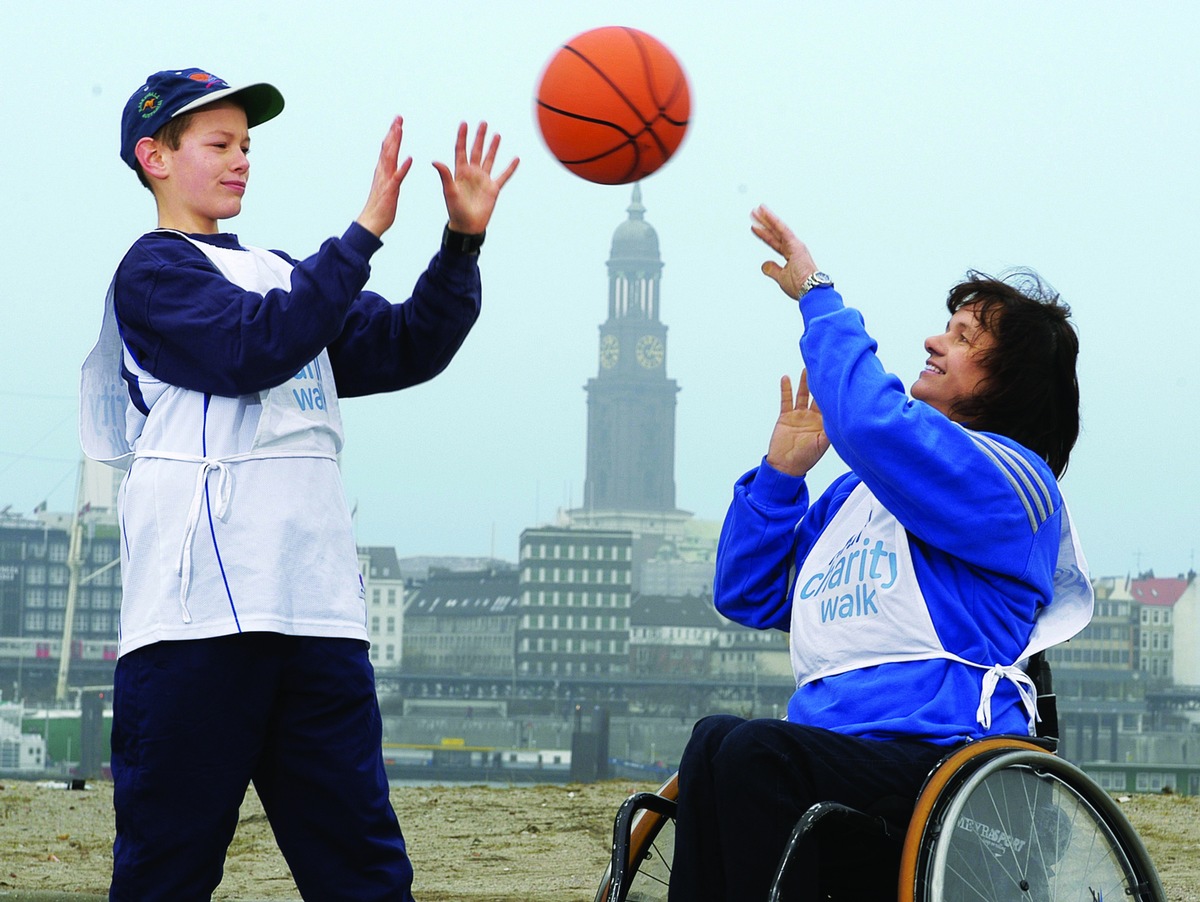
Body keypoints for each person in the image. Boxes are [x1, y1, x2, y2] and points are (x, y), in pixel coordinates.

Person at [79, 67, 518, 902]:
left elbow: (405, 346)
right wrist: (361, 234)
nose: (241, 160)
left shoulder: (285, 273)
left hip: (316, 617)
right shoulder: (153, 274)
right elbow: (255, 347)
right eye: (218, 143)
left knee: (364, 873)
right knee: (165, 874)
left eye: (247, 144)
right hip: (195, 626)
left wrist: (460, 245)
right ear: (155, 157)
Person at [667, 206, 1093, 901]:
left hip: (942, 763)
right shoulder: (857, 497)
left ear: (1006, 379)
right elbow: (750, 595)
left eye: (960, 337)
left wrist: (817, 291)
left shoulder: (1012, 483)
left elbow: (870, 420)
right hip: (831, 755)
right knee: (715, 740)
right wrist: (781, 477)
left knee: (752, 752)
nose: (933, 339)